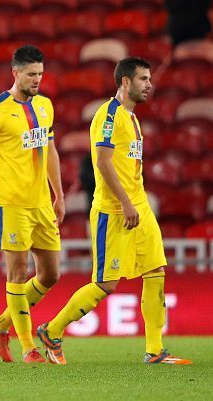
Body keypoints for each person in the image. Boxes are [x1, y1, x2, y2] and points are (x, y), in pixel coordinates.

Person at [37, 57, 192, 365]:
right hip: (115, 210)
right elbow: (103, 163)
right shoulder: (108, 115)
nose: (149, 84)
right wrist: (125, 202)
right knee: (106, 284)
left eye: (149, 78)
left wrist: (136, 201)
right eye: (143, 79)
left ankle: (154, 350)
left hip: (139, 207)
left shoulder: (132, 118)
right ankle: (51, 330)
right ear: (125, 82)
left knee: (156, 272)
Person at [0, 45, 65, 364]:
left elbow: (51, 149)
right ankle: (28, 347)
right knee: (17, 273)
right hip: (10, 204)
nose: (37, 79)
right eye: (31, 74)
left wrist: (59, 194)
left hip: (41, 203)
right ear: (15, 74)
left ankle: (0, 324)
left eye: (40, 74)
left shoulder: (45, 105)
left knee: (50, 274)